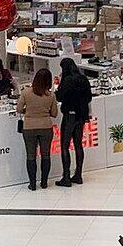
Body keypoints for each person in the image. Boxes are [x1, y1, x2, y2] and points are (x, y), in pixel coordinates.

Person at [16, 67, 58, 191]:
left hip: (29, 127)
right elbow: (54, 113)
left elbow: (18, 109)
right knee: (46, 155)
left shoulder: (26, 92)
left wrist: (27, 111)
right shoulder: (50, 96)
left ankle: (32, 184)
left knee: (31, 156)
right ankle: (44, 182)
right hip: (46, 127)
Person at [54, 58, 91, 187]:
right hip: (81, 116)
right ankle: (78, 174)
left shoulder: (67, 80)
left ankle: (66, 177)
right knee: (78, 144)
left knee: (65, 145)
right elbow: (89, 97)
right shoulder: (83, 79)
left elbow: (59, 97)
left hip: (69, 115)